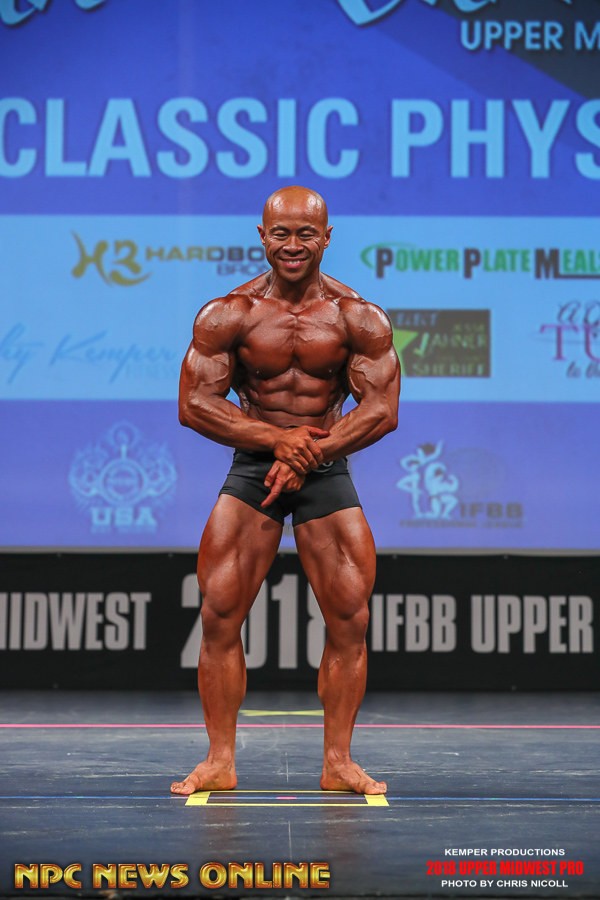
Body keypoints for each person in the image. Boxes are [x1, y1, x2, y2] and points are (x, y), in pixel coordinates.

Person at [171, 186, 400, 796]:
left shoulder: (358, 317)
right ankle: (220, 759)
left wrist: (310, 453)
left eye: (305, 234)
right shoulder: (229, 314)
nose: (292, 245)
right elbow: (194, 404)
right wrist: (279, 443)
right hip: (256, 466)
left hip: (324, 466)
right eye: (281, 233)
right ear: (262, 235)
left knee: (350, 617)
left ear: (326, 238)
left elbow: (381, 409)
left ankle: (338, 761)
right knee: (220, 613)